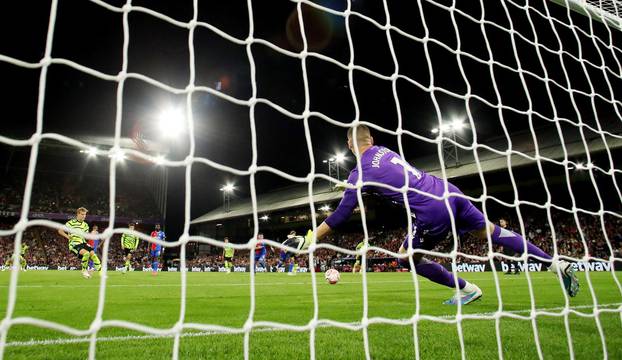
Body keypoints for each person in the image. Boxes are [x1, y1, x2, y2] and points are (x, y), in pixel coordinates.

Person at [307, 125, 578, 305]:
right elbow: (389, 179)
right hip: (448, 191)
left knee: (405, 257)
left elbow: (342, 214)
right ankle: (555, 264)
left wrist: (311, 239)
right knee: (491, 231)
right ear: (372, 140)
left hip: (430, 210)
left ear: (350, 146)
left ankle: (467, 288)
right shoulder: (385, 151)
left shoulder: (359, 172)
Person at [58, 207, 102, 279]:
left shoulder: (85, 225)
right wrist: (68, 237)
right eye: (82, 214)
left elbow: (86, 237)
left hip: (83, 243)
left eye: (85, 214)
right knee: (86, 253)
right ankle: (84, 270)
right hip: (74, 244)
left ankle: (101, 273)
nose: (84, 216)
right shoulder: (71, 223)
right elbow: (60, 230)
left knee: (93, 255)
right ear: (78, 214)